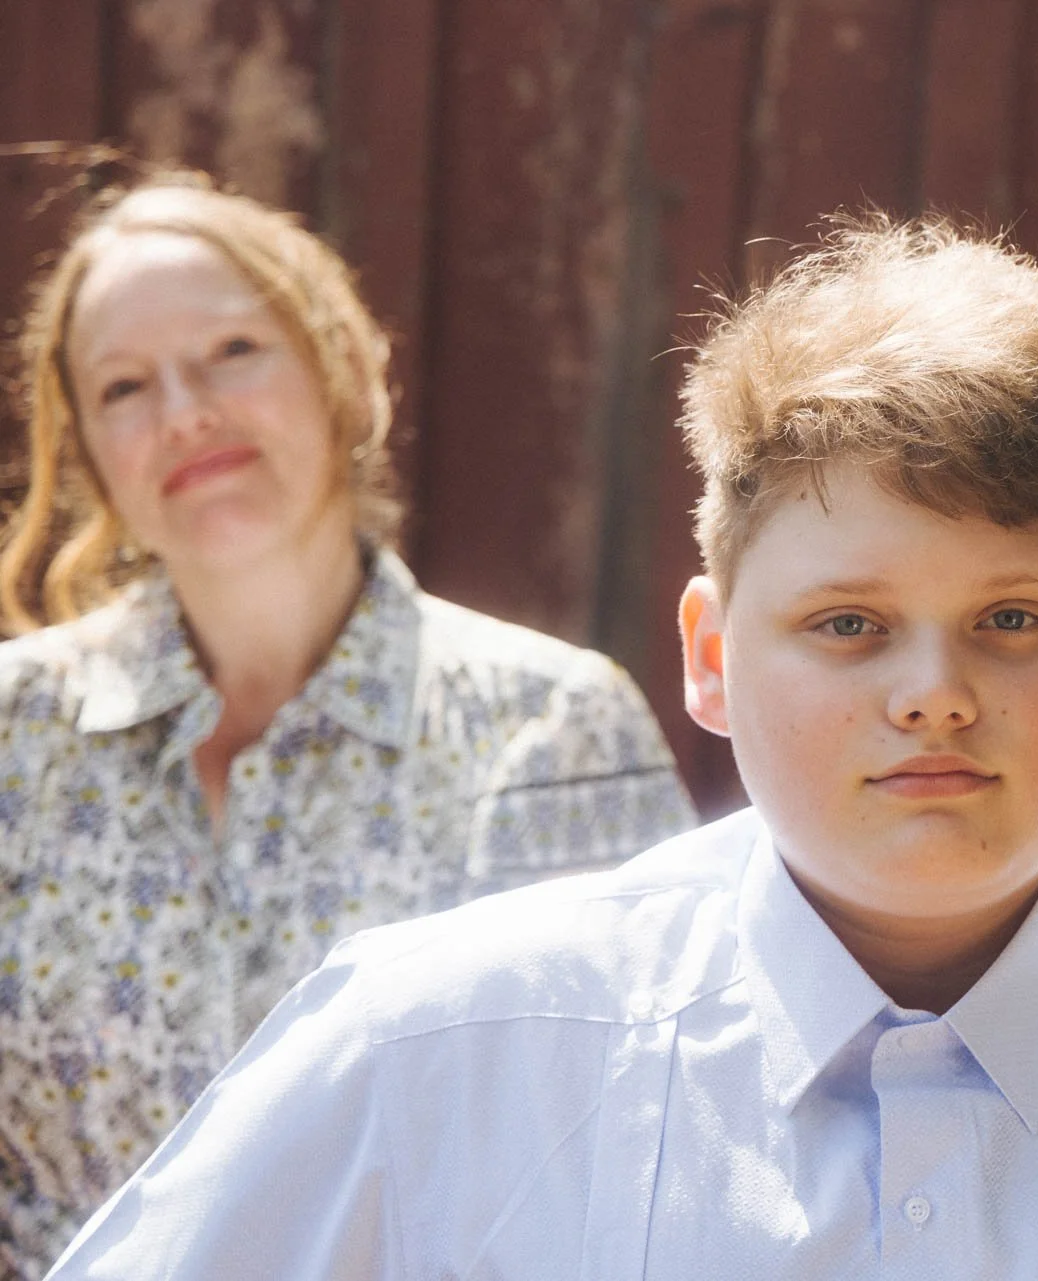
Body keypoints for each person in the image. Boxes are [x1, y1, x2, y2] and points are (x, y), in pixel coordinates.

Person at [45, 217, 1038, 1278]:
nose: (934, 694)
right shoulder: (435, 1053)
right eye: (848, 625)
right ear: (709, 658)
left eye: (1014, 621)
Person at [0, 171, 696, 1275]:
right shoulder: (13, 734)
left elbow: (633, 1156)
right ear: (88, 454)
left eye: (233, 351)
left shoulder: (545, 727)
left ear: (340, 369)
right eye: (126, 385)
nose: (186, 411)